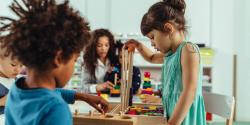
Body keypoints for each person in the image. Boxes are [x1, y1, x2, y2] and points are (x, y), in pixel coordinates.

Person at [0, 0, 108, 124]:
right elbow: (47, 96)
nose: (74, 66)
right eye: (74, 60)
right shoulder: (56, 109)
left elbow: (42, 94)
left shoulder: (16, 88)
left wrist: (82, 96)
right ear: (58, 59)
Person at [125, 0, 206, 124]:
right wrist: (138, 45)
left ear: (168, 28)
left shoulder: (188, 50)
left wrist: (173, 123)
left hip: (183, 118)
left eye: (152, 37)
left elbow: (190, 91)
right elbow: (151, 57)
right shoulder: (170, 54)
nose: (152, 43)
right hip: (171, 116)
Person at [82, 29, 117, 93]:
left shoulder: (115, 60)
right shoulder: (88, 62)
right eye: (99, 45)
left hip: (115, 97)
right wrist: (98, 87)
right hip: (97, 98)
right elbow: (83, 87)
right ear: (93, 46)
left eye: (106, 45)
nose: (103, 48)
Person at [0, 44, 23, 115]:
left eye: (21, 65)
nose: (18, 69)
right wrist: (1, 102)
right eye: (13, 65)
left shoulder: (18, 80)